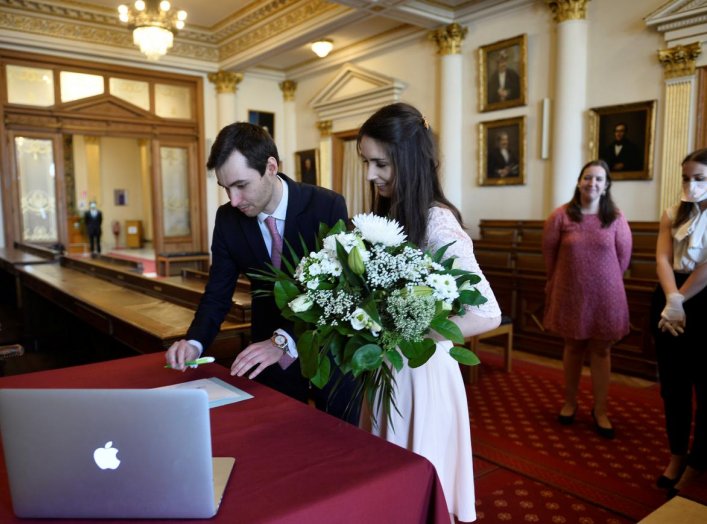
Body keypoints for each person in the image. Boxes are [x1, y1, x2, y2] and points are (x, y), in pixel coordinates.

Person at [357, 102, 501, 523]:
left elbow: (486, 313)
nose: (370, 175)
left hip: (421, 375)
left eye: (380, 163)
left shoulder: (436, 222)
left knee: (416, 493)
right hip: (388, 371)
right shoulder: (392, 213)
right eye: (367, 162)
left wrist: (409, 337)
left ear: (409, 159)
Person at [165, 122, 358, 423]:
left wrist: (283, 341)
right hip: (265, 355)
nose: (234, 200)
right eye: (226, 188)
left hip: (327, 349)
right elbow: (218, 292)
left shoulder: (325, 205)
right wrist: (195, 342)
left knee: (343, 440)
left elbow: (339, 291)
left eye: (241, 185)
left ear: (271, 167)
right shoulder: (228, 219)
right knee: (279, 438)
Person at [542, 160, 632, 440]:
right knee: (573, 347)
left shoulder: (615, 217)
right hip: (571, 291)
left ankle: (600, 409)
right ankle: (570, 402)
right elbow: (549, 254)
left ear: (606, 186)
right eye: (587, 178)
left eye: (598, 179)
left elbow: (624, 257)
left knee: (602, 351)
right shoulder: (561, 216)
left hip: (607, 294)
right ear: (579, 181)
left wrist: (605, 278)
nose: (592, 183)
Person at [652, 148, 707, 497]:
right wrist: (671, 299)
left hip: (701, 299)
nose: (691, 184)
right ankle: (677, 454)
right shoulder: (672, 214)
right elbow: (661, 256)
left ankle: (698, 462)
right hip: (671, 296)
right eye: (686, 177)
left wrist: (680, 299)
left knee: (704, 387)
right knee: (673, 384)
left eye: (699, 178)